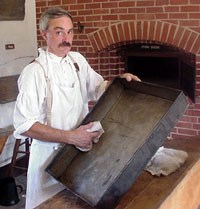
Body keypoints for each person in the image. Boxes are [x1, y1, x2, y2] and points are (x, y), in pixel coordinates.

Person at [13, 7, 141, 209]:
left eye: (70, 31)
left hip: (79, 154)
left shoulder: (77, 61)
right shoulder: (34, 72)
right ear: (44, 34)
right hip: (48, 158)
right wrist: (71, 136)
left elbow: (98, 88)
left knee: (78, 204)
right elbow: (24, 125)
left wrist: (118, 81)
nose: (66, 38)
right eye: (59, 32)